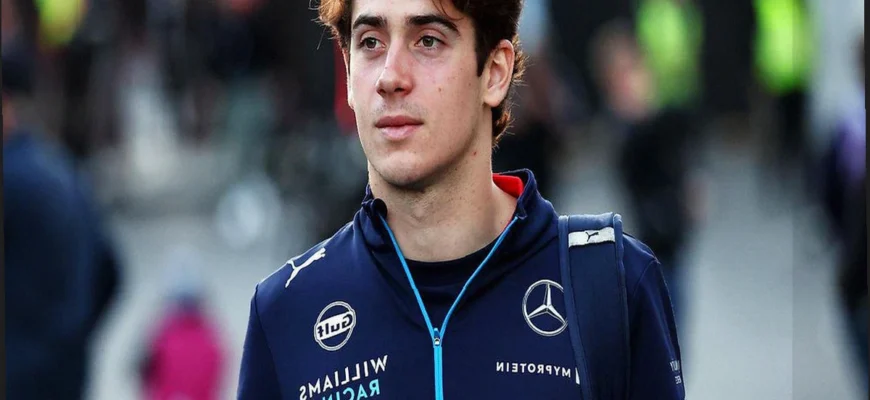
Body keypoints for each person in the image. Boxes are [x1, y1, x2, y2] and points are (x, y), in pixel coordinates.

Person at [238, 1, 684, 399]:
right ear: (349, 75)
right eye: (371, 42)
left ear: (495, 72)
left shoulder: (615, 284)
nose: (391, 77)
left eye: (428, 40)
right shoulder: (286, 312)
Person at [4, 35, 121, 399]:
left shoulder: (10, 180)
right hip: (67, 370)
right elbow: (111, 271)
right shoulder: (63, 169)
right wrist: (71, 337)